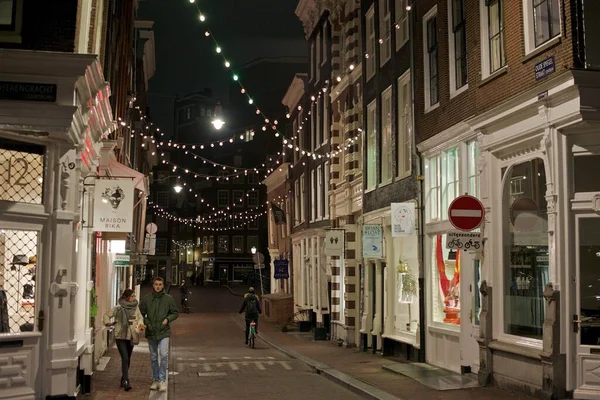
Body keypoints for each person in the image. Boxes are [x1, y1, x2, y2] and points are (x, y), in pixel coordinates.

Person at [140, 277, 179, 392]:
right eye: (156, 284)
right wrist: (147, 323)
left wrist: (167, 319)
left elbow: (175, 313)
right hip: (151, 332)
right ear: (153, 285)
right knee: (153, 357)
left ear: (163, 286)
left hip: (163, 331)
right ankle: (155, 379)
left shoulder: (168, 299)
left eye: (160, 284)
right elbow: (141, 314)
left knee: (164, 355)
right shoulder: (147, 299)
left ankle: (162, 380)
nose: (158, 286)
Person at [103, 289, 145, 392]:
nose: (134, 298)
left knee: (128, 358)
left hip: (131, 335)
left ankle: (123, 378)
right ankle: (126, 381)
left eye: (134, 296)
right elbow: (106, 315)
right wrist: (108, 322)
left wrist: (140, 326)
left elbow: (140, 318)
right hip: (120, 336)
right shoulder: (118, 308)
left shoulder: (136, 308)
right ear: (126, 297)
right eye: (132, 296)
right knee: (125, 358)